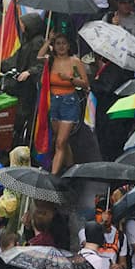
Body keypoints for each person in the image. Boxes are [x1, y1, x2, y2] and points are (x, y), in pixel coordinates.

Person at [37, 32, 88, 175]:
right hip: (53, 102)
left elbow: (85, 83)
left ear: (69, 45)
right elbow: (39, 57)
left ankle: (53, 176)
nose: (61, 46)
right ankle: (71, 168)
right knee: (61, 140)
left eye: (63, 43)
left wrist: (70, 79)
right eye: (58, 43)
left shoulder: (75, 61)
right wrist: (48, 41)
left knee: (60, 142)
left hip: (69, 103)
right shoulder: (50, 61)